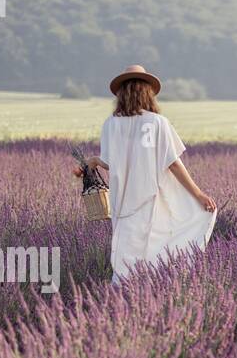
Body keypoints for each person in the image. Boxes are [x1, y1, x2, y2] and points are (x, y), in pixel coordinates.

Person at [73, 65, 217, 284]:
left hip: (122, 201)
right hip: (152, 197)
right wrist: (198, 194)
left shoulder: (111, 124)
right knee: (156, 247)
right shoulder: (158, 122)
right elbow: (173, 164)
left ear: (121, 93)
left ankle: (120, 297)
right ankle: (154, 293)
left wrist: (92, 161)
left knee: (125, 255)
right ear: (147, 92)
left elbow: (112, 163)